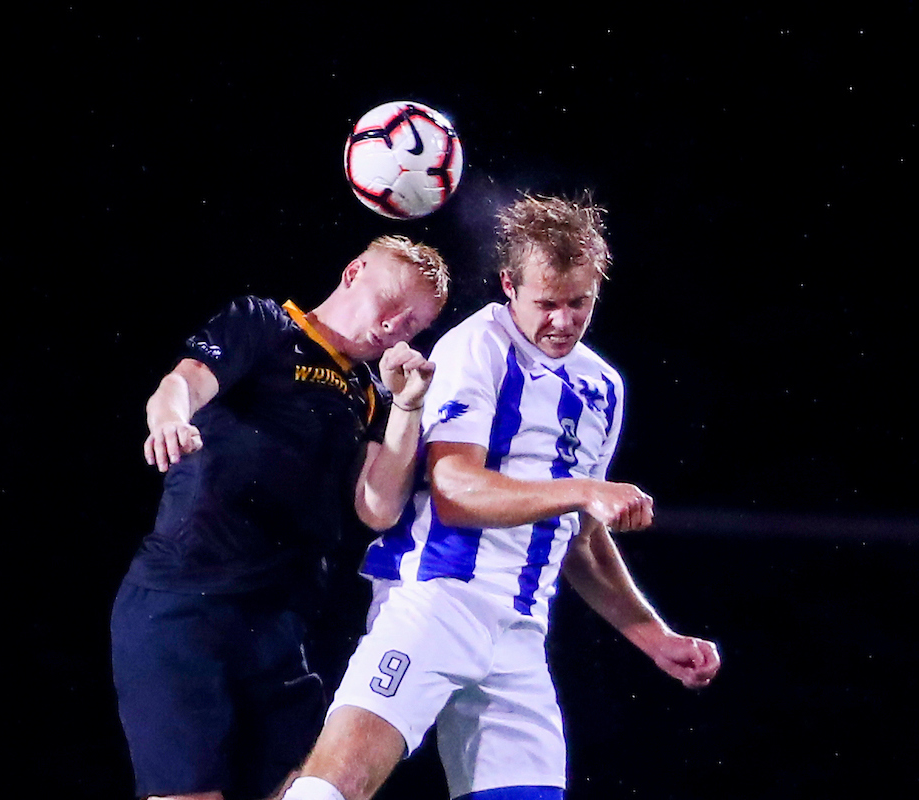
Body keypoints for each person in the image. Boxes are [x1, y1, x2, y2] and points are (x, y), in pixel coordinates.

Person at [282, 195, 722, 800]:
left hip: (520, 634)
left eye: (578, 303)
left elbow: (581, 538)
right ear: (510, 285)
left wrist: (654, 636)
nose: (563, 321)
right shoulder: (477, 346)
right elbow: (455, 489)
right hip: (435, 603)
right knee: (334, 788)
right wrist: (585, 490)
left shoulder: (602, 387)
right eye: (546, 303)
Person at [111, 235, 450, 800]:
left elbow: (379, 507)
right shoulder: (265, 323)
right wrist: (170, 419)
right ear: (353, 271)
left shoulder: (367, 394)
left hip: (279, 625)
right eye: (390, 303)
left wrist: (408, 406)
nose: (394, 327)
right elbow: (182, 383)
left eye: (412, 324)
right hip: (182, 606)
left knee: (308, 790)